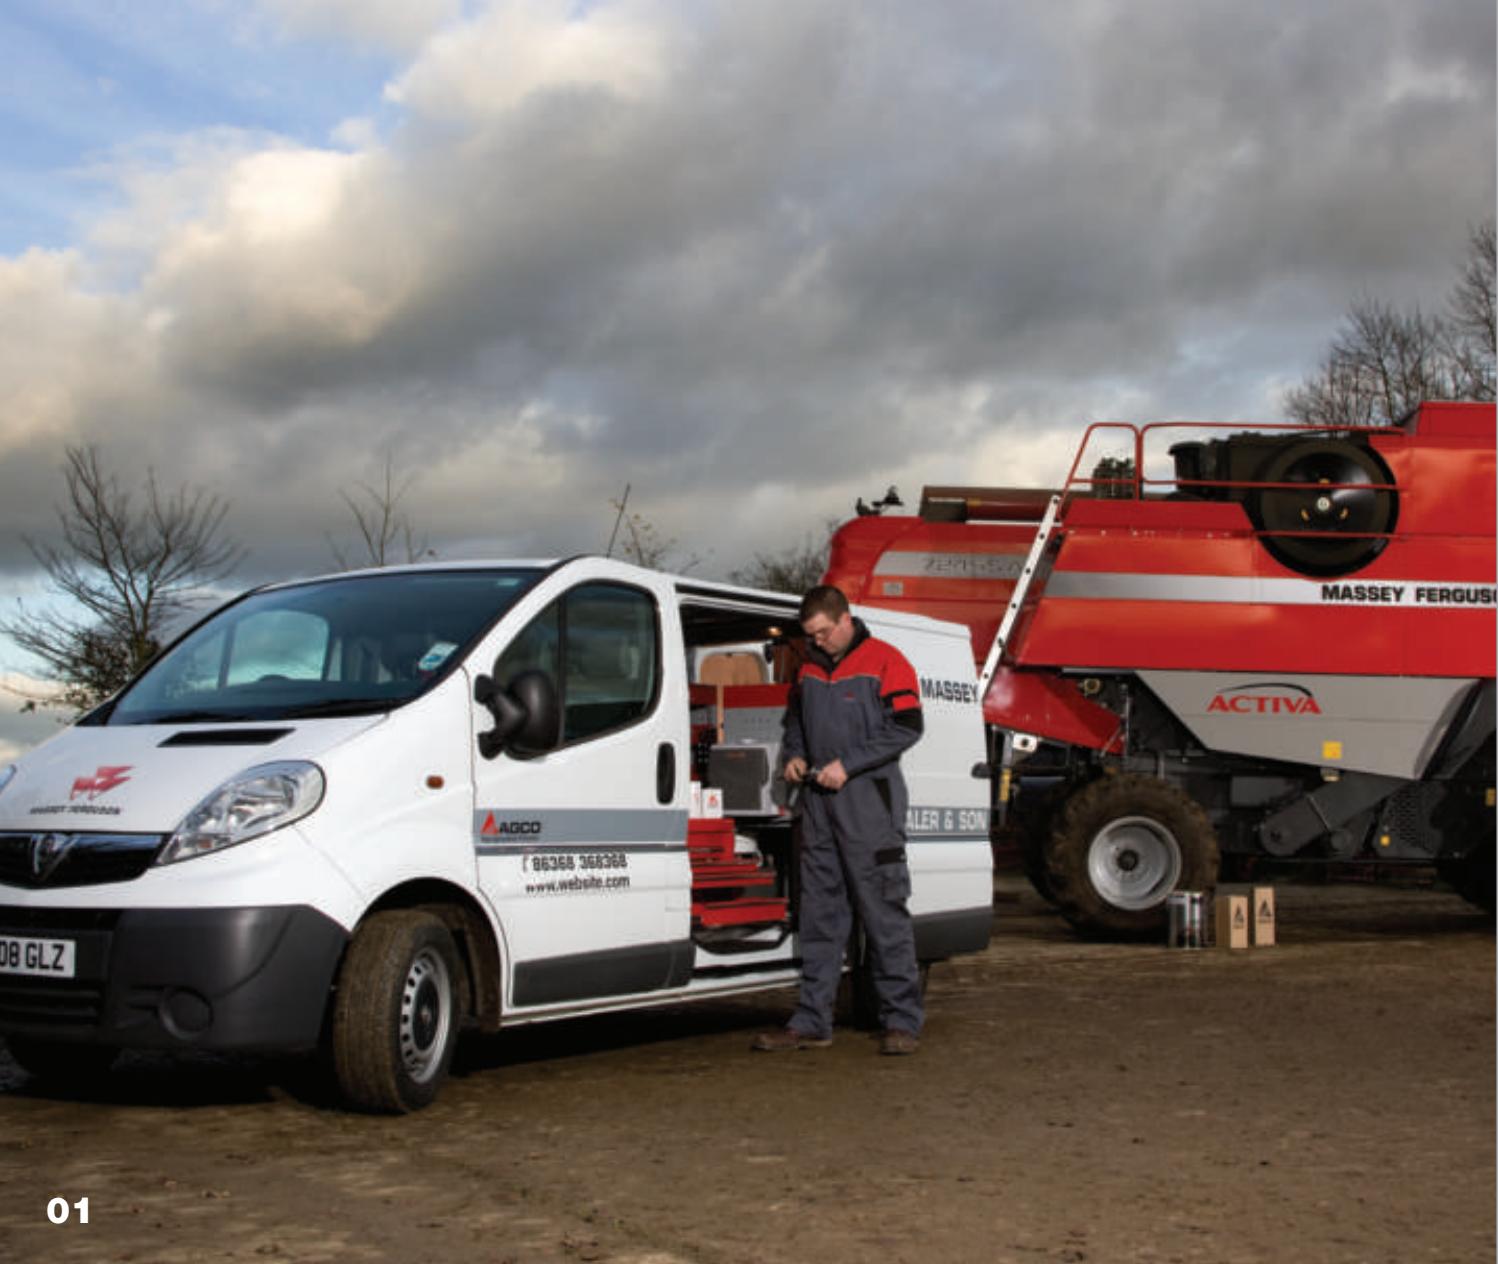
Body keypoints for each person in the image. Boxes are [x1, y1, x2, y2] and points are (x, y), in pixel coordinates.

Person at [751, 584, 925, 1056]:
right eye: (811, 635)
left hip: (870, 807)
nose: (818, 641)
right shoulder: (808, 668)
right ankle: (812, 1022)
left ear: (846, 619)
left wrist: (848, 765)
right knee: (820, 918)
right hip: (819, 808)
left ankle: (901, 1021)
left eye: (824, 632)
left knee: (884, 916)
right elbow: (795, 721)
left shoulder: (887, 661)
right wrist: (794, 754)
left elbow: (907, 726)